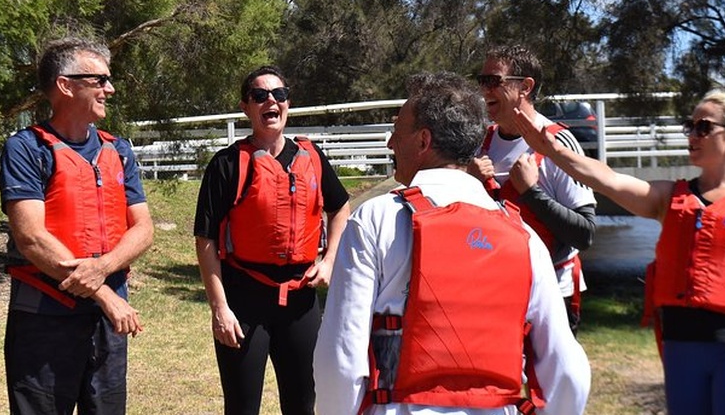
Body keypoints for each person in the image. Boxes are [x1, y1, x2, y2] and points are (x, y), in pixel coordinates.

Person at [511, 89, 725, 414]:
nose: (692, 134)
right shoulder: (668, 198)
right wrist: (550, 150)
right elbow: (607, 180)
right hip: (681, 345)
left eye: (704, 127)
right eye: (690, 125)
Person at [315, 72, 590, 415]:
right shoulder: (525, 238)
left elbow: (341, 356)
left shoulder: (376, 219)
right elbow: (567, 369)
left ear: (423, 141)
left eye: (396, 133)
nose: (389, 144)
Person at [0, 37, 154, 414]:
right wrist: (104, 293)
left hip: (107, 323)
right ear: (66, 85)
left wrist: (102, 272)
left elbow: (143, 227)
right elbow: (32, 238)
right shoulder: (25, 149)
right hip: (44, 321)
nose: (110, 89)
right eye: (100, 80)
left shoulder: (118, 149)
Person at [193, 65, 351, 415]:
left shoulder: (311, 157)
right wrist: (220, 308)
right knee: (242, 406)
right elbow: (205, 239)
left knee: (302, 405)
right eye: (260, 95)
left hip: (300, 303)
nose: (271, 101)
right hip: (245, 299)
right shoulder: (227, 164)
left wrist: (328, 260)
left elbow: (341, 207)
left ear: (288, 103)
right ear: (246, 107)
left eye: (279, 94)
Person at [470, 44, 596, 334]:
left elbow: (585, 233)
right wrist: (469, 181)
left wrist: (531, 193)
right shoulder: (480, 143)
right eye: (481, 80)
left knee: (553, 382)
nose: (484, 90)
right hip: (497, 292)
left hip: (551, 295)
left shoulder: (557, 144)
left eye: (493, 81)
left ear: (525, 87)